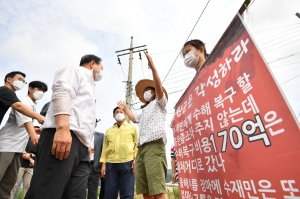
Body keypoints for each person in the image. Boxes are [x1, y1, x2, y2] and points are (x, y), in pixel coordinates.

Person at [25, 54, 103, 199]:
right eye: (101, 67)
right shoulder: (74, 70)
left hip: (82, 146)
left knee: (75, 194)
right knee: (47, 190)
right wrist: (62, 129)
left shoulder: (91, 88)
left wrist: (86, 143)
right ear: (93, 64)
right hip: (65, 134)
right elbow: (62, 93)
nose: (102, 71)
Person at [118, 52, 168, 199]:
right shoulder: (144, 109)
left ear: (155, 92)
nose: (146, 92)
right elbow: (134, 119)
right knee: (144, 189)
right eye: (145, 90)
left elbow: (159, 88)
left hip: (154, 146)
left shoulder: (160, 103)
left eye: (149, 89)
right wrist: (125, 108)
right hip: (142, 149)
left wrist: (153, 69)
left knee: (157, 188)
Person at [0, 80, 48, 199]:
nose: (40, 93)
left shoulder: (33, 106)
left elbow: (24, 126)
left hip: (18, 149)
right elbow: (26, 121)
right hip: (7, 145)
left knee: (8, 183)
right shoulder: (23, 102)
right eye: (39, 89)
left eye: (43, 91)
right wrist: (33, 135)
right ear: (30, 89)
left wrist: (36, 131)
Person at [100, 107, 138, 199]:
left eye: (121, 112)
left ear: (125, 114)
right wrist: (103, 164)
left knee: (127, 194)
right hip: (111, 164)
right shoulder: (109, 131)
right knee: (109, 193)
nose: (119, 113)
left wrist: (135, 160)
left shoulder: (132, 128)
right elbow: (105, 148)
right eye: (117, 112)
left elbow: (137, 145)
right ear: (114, 116)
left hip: (127, 163)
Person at [87, 119, 104, 199]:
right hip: (81, 166)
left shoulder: (101, 136)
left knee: (93, 192)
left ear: (95, 125)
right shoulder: (80, 135)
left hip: (94, 166)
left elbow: (103, 151)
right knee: (79, 190)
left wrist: (103, 166)